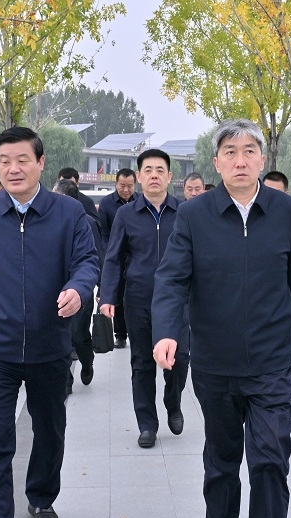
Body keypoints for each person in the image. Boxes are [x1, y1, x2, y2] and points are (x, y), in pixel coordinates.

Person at [151, 119, 291, 518]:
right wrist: (166, 331)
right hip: (215, 365)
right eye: (230, 153)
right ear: (217, 163)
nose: (241, 161)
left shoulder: (288, 213)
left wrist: (285, 341)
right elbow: (172, 278)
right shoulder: (193, 215)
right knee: (221, 465)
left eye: (249, 152)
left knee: (270, 461)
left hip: (271, 367)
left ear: (262, 159)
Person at [0, 127, 100, 518]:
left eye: (22, 160)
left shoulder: (68, 213)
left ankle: (41, 497)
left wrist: (78, 289)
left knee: (50, 432)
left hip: (49, 346)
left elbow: (87, 261)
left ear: (40, 163)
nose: (13, 169)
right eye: (4, 162)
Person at [99, 149, 190, 448]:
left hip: (178, 301)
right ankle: (147, 424)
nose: (154, 175)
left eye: (160, 170)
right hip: (139, 299)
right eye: (148, 170)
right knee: (142, 363)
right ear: (139, 176)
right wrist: (107, 295)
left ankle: (173, 402)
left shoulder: (185, 212)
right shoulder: (126, 215)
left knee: (180, 360)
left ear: (169, 176)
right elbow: (113, 258)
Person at [56, 178, 104, 392]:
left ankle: (87, 361)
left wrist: (102, 288)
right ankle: (65, 379)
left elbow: (97, 257)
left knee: (78, 333)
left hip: (81, 290)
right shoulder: (48, 222)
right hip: (55, 290)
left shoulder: (88, 223)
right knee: (61, 336)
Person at [98, 168, 138, 349]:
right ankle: (120, 335)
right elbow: (103, 233)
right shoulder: (106, 203)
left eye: (130, 186)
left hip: (136, 256)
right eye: (122, 186)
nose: (126, 190)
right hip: (116, 257)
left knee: (136, 295)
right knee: (119, 296)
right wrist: (109, 254)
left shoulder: (140, 202)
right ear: (116, 184)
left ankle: (137, 331)